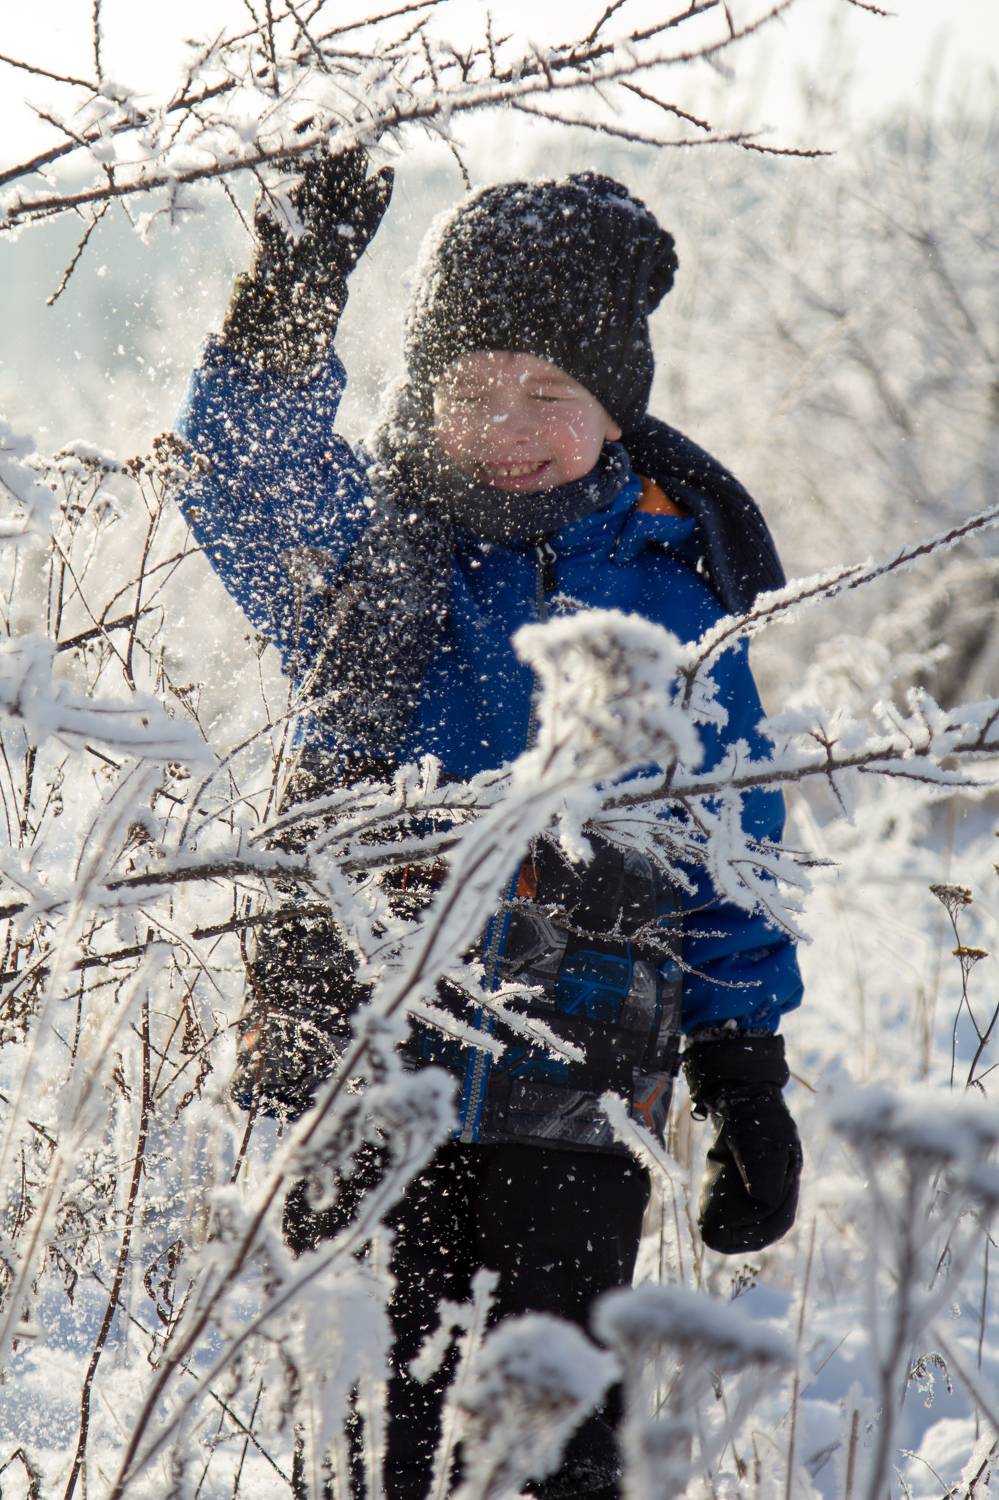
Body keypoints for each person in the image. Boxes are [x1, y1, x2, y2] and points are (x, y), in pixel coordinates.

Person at [177, 149, 804, 1499]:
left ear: (616, 405)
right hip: (364, 1065)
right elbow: (239, 479)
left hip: (584, 1088)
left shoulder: (679, 587)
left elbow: (730, 836)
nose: (507, 425)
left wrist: (743, 1065)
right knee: (369, 1427)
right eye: (468, 390)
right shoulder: (371, 552)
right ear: (422, 395)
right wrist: (288, 300)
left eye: (549, 393)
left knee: (556, 1427)